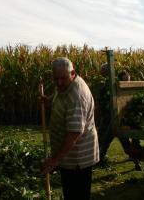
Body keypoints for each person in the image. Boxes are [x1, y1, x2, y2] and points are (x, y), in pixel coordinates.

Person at [41, 57, 99, 200]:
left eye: (62, 78)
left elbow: (73, 134)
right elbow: (58, 96)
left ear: (73, 73)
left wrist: (54, 160)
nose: (59, 83)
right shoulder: (64, 85)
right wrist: (48, 101)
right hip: (69, 158)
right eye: (56, 79)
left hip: (78, 159)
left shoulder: (76, 97)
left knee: (76, 195)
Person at [98, 64, 142, 171]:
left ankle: (99, 160)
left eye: (103, 70)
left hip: (115, 119)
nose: (101, 72)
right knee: (107, 141)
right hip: (112, 119)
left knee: (109, 142)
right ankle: (136, 162)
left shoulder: (113, 84)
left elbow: (105, 102)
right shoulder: (111, 83)